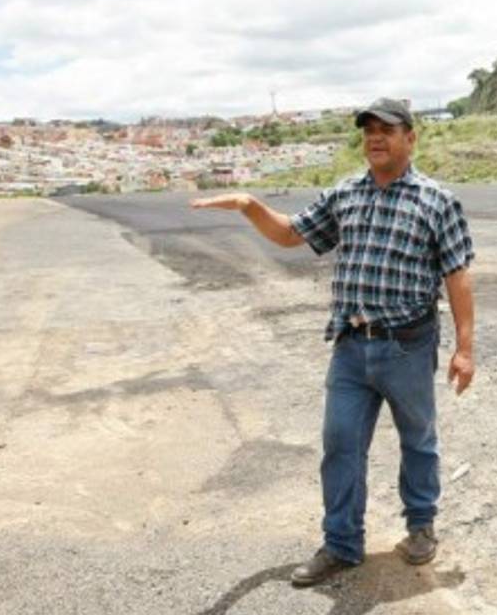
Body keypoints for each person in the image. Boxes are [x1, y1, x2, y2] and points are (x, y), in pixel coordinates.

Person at [192, 97, 475, 584]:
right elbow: (290, 235)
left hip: (407, 344)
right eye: (369, 129)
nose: (375, 137)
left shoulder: (437, 200)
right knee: (340, 444)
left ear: (411, 137)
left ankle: (421, 527)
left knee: (418, 441)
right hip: (350, 343)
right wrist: (250, 205)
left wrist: (465, 349)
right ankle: (342, 544)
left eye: (386, 129)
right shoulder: (345, 194)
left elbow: (457, 274)